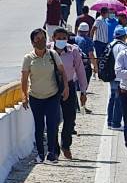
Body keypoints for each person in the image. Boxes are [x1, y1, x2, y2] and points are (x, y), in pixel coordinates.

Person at [21, 28, 70, 164]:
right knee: (39, 126)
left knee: (52, 124)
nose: (41, 41)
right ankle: (40, 154)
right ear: (33, 42)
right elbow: (24, 79)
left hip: (52, 95)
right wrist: (24, 96)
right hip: (35, 96)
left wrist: (66, 87)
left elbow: (62, 72)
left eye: (43, 38)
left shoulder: (53, 55)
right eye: (38, 39)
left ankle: (51, 153)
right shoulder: (28, 58)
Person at [50, 28, 89, 160]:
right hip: (51, 87)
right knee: (52, 119)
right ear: (53, 38)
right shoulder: (47, 51)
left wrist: (83, 91)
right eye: (58, 37)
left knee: (70, 117)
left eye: (64, 38)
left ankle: (65, 144)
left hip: (69, 85)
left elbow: (80, 71)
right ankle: (54, 149)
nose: (61, 40)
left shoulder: (73, 51)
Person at [106, 26, 127, 130]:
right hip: (119, 77)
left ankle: (110, 121)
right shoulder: (123, 47)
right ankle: (116, 123)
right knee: (119, 100)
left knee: (112, 99)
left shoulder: (111, 44)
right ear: (124, 36)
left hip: (111, 75)